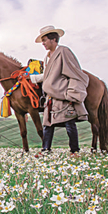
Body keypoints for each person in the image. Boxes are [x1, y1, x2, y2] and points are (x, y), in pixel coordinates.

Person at [31, 25, 89, 156]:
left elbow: (74, 72)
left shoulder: (64, 52)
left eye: (45, 40)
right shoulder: (46, 57)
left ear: (53, 39)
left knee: (69, 122)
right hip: (51, 96)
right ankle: (46, 150)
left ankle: (74, 151)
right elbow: (46, 76)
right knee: (48, 124)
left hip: (62, 92)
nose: (43, 44)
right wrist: (31, 78)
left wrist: (71, 93)